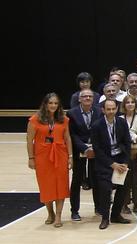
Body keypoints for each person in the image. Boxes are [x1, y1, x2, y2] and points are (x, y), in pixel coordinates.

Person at [28, 93, 71, 227]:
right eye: (50, 103)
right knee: (46, 185)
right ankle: (50, 212)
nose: (53, 106)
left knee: (61, 185)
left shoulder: (64, 119)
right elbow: (30, 140)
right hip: (42, 156)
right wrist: (31, 158)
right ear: (45, 104)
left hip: (60, 154)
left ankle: (58, 216)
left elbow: (67, 138)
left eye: (56, 103)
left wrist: (70, 157)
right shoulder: (35, 119)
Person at [91, 99, 132, 229]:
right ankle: (104, 218)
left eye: (113, 109)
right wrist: (112, 164)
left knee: (123, 188)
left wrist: (125, 162)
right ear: (103, 110)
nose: (111, 111)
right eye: (108, 109)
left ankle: (115, 215)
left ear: (116, 109)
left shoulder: (122, 122)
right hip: (105, 162)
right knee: (105, 189)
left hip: (120, 159)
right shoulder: (97, 125)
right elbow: (97, 149)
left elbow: (127, 143)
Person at [68, 90, 98, 222]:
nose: (87, 98)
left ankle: (99, 208)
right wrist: (85, 148)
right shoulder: (72, 113)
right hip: (79, 151)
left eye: (90, 96)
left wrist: (94, 147)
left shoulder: (98, 111)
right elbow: (72, 135)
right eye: (84, 96)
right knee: (76, 181)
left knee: (96, 179)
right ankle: (74, 211)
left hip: (95, 151)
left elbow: (100, 131)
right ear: (79, 99)